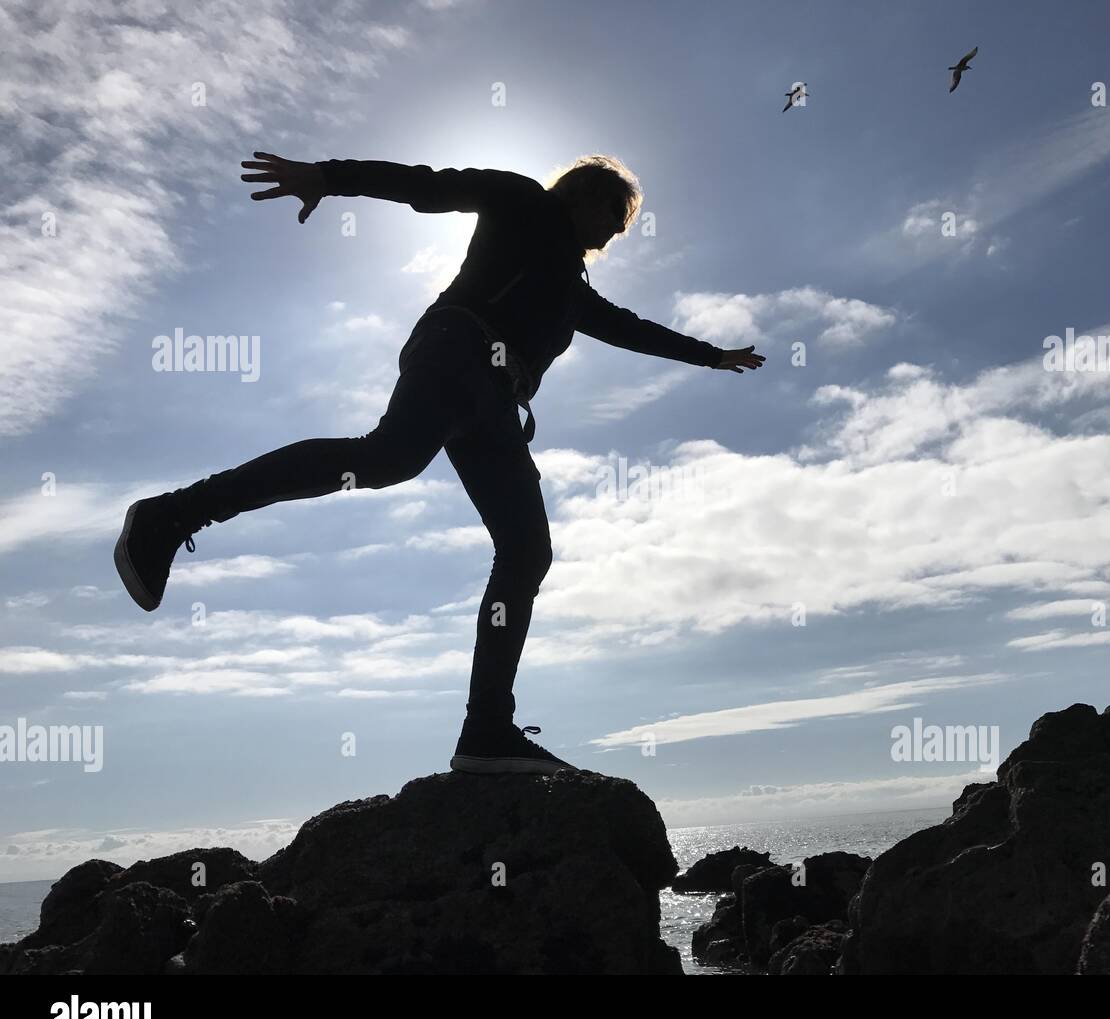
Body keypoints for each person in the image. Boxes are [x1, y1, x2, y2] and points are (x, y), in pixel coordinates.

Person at [113, 151, 764, 775]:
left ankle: (486, 729)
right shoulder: (520, 199)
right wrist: (324, 177)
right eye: (612, 217)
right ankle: (170, 514)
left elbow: (632, 328)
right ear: (586, 195)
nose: (611, 234)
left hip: (489, 400)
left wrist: (713, 356)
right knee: (385, 459)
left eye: (620, 228)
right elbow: (424, 184)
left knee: (525, 547)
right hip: (458, 351)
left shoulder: (571, 289)